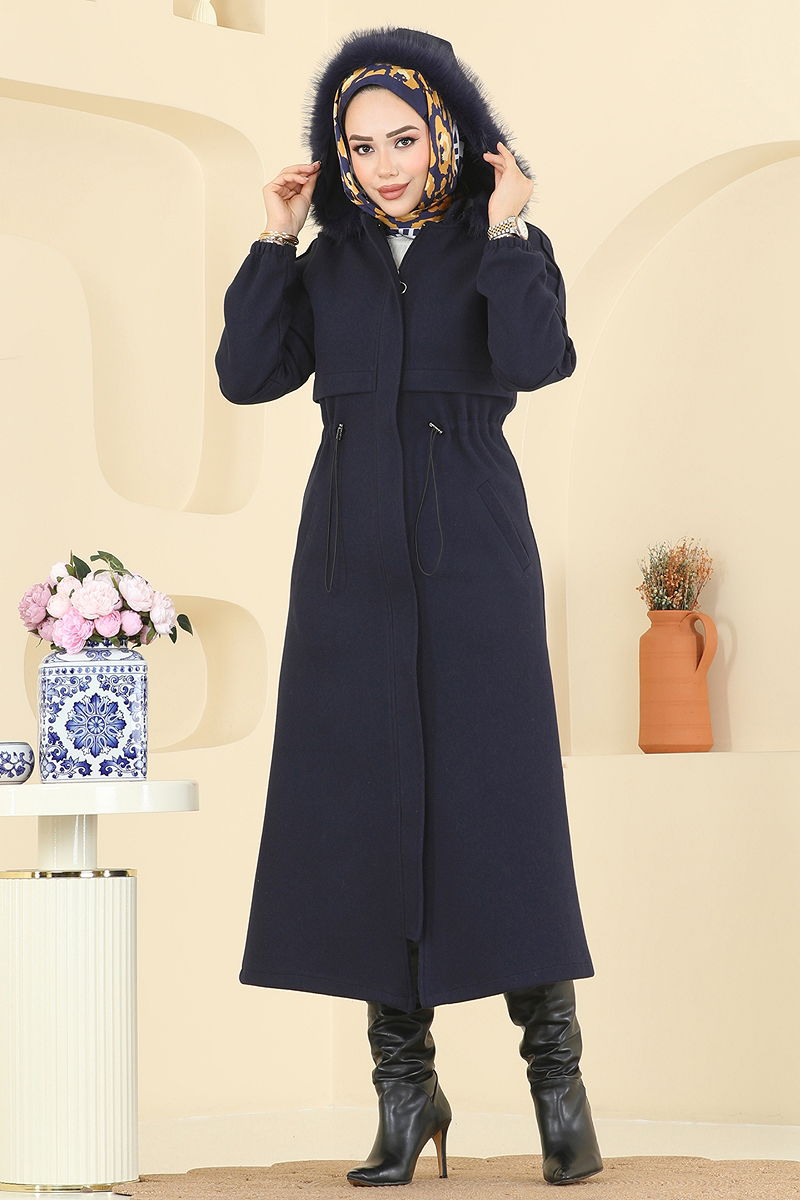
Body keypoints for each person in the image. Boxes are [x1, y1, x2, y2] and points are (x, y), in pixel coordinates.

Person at [215, 24, 603, 1189]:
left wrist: (508, 229)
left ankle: (556, 1083)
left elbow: (536, 360)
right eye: (359, 145)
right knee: (363, 810)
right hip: (347, 559)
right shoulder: (325, 257)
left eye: (401, 138)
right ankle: (403, 1090)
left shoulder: (491, 239)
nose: (381, 163)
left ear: (446, 133)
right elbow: (246, 375)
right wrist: (273, 240)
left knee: (500, 803)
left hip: (473, 549)